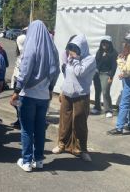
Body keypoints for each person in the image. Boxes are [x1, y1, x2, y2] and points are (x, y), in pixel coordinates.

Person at [9, 20, 60, 172]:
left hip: (28, 95)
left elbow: (24, 73)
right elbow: (56, 71)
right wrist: (50, 88)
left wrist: (16, 91)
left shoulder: (30, 48)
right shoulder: (52, 49)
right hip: (44, 97)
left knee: (26, 129)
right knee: (39, 129)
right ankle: (38, 160)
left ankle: (26, 161)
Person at [52, 34, 96, 162]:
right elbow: (67, 76)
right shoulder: (69, 58)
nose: (72, 50)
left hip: (81, 95)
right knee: (64, 121)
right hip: (67, 93)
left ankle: (81, 149)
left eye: (76, 48)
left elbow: (79, 72)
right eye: (71, 47)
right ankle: (62, 144)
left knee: (80, 122)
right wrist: (61, 90)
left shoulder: (90, 59)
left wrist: (75, 58)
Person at [91, 36, 118, 117]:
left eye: (106, 42)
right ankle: (97, 107)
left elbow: (114, 66)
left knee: (105, 91)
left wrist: (111, 76)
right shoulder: (99, 52)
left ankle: (108, 110)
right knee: (97, 91)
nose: (104, 44)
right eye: (103, 42)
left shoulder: (114, 53)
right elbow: (95, 62)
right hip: (97, 74)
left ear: (110, 43)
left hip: (106, 74)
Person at [10, 33, 26, 129]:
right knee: (17, 103)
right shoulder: (21, 54)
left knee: (17, 102)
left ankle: (21, 120)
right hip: (17, 82)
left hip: (20, 84)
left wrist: (17, 89)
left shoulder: (25, 56)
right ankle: (19, 119)